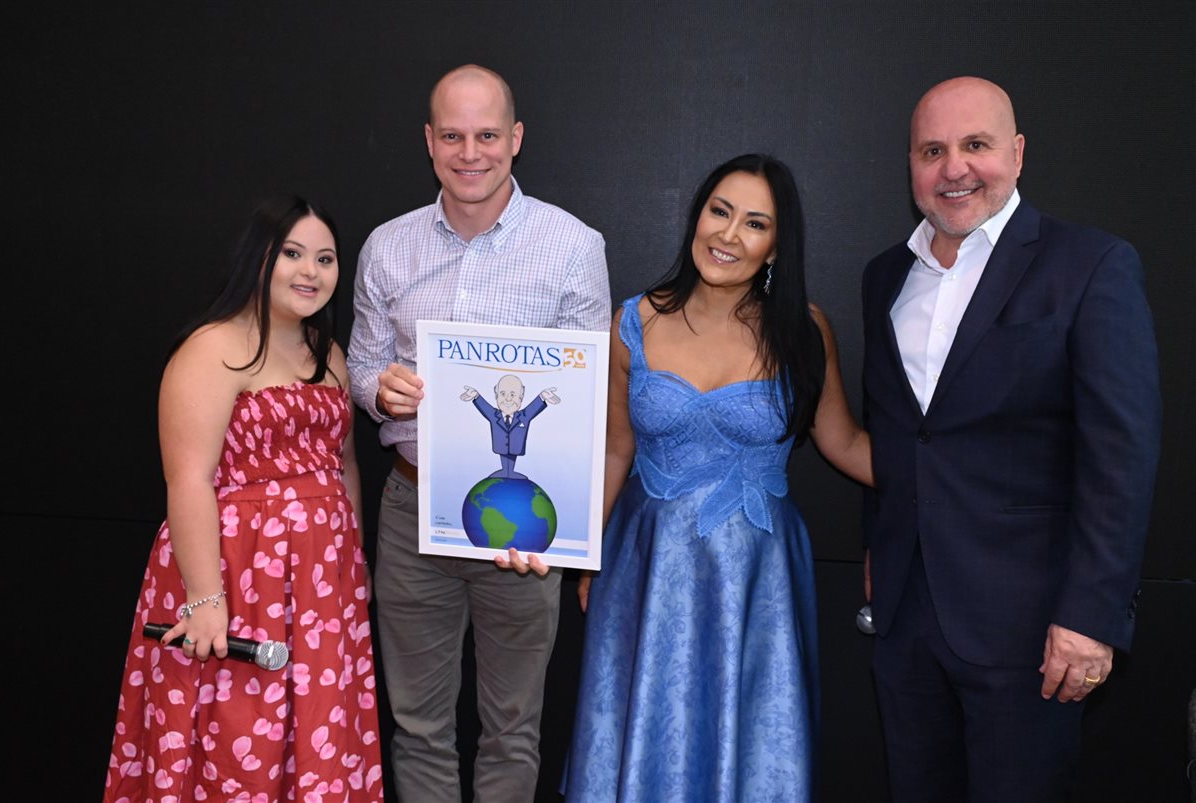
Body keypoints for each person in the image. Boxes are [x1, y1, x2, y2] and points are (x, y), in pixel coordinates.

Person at [861, 76, 1161, 802]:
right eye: (933, 150)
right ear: (910, 163)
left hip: (1033, 630)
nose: (954, 168)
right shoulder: (884, 279)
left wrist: (1091, 618)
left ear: (1018, 153)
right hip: (907, 624)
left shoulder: (1089, 265)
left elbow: (1120, 455)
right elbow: (904, 435)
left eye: (976, 145)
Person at [564, 154, 873, 802]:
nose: (729, 235)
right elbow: (617, 449)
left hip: (756, 579)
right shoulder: (634, 321)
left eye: (754, 223)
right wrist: (583, 550)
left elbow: (843, 442)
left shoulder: (805, 331)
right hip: (645, 569)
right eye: (720, 211)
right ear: (697, 215)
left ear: (775, 247)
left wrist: (961, 470)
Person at [346, 64, 610, 802]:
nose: (471, 153)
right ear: (429, 143)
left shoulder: (571, 245)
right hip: (411, 513)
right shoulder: (387, 247)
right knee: (418, 725)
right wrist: (377, 388)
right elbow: (364, 363)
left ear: (515, 139)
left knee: (513, 727)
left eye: (487, 134)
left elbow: (584, 397)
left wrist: (560, 532)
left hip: (521, 523)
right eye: (454, 136)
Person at [103, 196, 384, 801]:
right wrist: (206, 598)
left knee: (316, 732)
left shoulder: (327, 353)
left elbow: (346, 466)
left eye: (326, 258)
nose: (310, 271)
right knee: (235, 736)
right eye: (292, 253)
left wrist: (351, 567)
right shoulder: (212, 348)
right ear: (257, 258)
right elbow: (188, 481)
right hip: (236, 575)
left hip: (320, 588)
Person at [461, 375, 560, 478]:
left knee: (512, 455)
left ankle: (510, 472)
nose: (508, 399)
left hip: (515, 447)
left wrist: (542, 397)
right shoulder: (494, 416)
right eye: (502, 394)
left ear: (521, 398)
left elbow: (532, 409)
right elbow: (485, 408)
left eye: (513, 395)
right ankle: (505, 471)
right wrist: (476, 396)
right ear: (496, 396)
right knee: (504, 455)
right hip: (501, 447)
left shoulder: (523, 416)